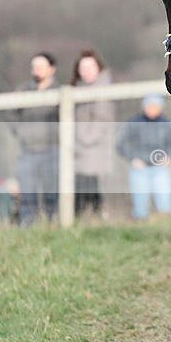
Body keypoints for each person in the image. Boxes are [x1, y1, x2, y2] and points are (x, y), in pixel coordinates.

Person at [10, 52, 59, 225]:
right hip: (28, 151)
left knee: (52, 194)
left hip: (53, 150)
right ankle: (26, 229)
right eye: (34, 66)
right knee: (27, 194)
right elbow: (11, 114)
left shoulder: (59, 92)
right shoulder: (23, 91)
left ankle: (53, 227)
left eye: (41, 66)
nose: (36, 70)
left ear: (51, 69)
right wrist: (21, 132)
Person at [115, 94, 171, 220]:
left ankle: (164, 222)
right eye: (149, 106)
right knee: (140, 205)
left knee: (164, 201)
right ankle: (141, 222)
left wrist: (169, 157)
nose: (152, 109)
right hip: (139, 169)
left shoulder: (166, 123)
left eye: (155, 106)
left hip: (160, 168)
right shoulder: (134, 123)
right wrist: (133, 159)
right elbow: (121, 143)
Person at [71, 48, 114, 218]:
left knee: (92, 193)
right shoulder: (80, 89)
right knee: (86, 193)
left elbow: (101, 119)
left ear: (98, 68)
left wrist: (80, 137)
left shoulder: (102, 89)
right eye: (83, 68)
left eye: (90, 67)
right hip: (82, 152)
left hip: (93, 149)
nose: (86, 72)